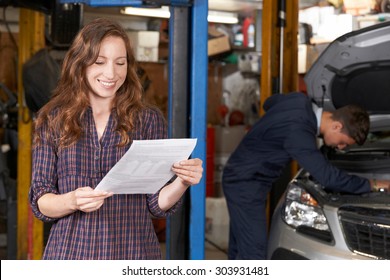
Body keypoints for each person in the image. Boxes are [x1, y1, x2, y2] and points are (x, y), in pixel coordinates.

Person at [28, 18, 203, 260]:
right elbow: (40, 200)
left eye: (120, 63)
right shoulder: (53, 119)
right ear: (80, 64)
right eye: (99, 62)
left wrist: (182, 182)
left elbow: (156, 204)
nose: (111, 73)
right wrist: (72, 201)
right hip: (71, 255)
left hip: (133, 254)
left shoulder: (147, 120)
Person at [222, 91, 390, 260]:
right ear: (337, 126)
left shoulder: (298, 99)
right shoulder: (299, 132)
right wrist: (373, 184)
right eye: (343, 142)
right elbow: (328, 178)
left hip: (244, 176)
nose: (340, 147)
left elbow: (269, 102)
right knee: (254, 253)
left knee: (240, 248)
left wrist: (271, 130)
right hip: (246, 183)